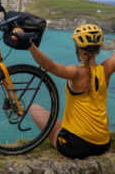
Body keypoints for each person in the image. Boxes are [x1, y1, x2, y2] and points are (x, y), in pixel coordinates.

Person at [13, 24, 115, 159]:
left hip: (76, 147)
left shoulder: (76, 72)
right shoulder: (106, 68)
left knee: (33, 107)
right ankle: (94, 134)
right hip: (102, 144)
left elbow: (49, 65)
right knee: (102, 107)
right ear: (98, 49)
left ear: (78, 48)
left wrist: (29, 44)